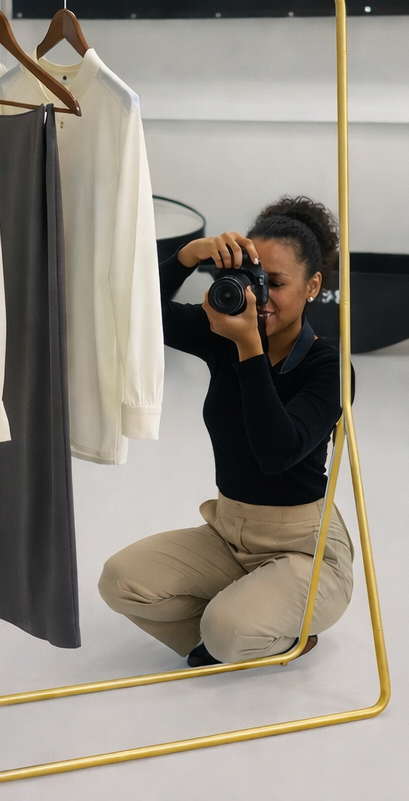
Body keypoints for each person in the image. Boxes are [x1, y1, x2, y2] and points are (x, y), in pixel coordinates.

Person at [98, 197, 354, 667]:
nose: (260, 297)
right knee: (120, 579)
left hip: (305, 550)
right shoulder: (225, 331)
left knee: (226, 629)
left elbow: (277, 451)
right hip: (229, 533)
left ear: (313, 285)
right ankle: (229, 631)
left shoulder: (329, 368)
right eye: (254, 281)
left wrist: (248, 350)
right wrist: (187, 256)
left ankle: (259, 631)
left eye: (276, 284)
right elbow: (130, 313)